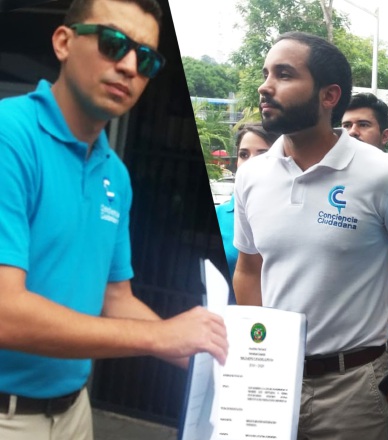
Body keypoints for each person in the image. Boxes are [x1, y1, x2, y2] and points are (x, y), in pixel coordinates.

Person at [0, 1, 228, 438]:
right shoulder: (11, 137)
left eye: (146, 59)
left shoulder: (114, 174)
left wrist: (202, 350)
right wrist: (159, 338)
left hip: (73, 412)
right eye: (113, 44)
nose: (128, 66)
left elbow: (115, 297)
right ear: (64, 42)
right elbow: (5, 313)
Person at [232, 32, 388, 439]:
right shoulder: (252, 177)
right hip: (271, 379)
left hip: (353, 388)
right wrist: (257, 347)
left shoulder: (382, 175)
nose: (265, 85)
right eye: (266, 73)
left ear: (329, 96)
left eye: (284, 74)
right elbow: (248, 266)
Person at [342, 92, 388, 440]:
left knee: (385, 412)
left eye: (363, 125)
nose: (353, 132)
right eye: (346, 125)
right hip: (338, 327)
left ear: (385, 136)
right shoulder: (332, 178)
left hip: (386, 323)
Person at [215, 123, 279, 286]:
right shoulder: (220, 215)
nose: (251, 162)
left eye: (262, 154)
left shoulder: (294, 214)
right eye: (243, 154)